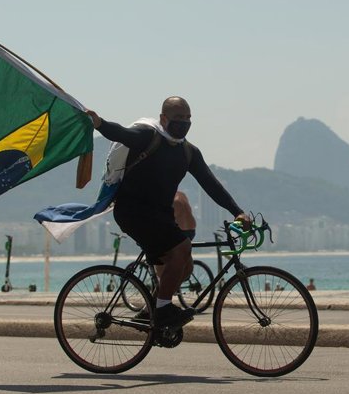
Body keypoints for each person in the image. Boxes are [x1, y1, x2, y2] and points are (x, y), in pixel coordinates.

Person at [86, 96, 250, 329]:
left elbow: (210, 183)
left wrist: (238, 212)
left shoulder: (188, 152)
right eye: (178, 118)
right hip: (133, 211)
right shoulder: (148, 136)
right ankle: (163, 310)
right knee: (182, 248)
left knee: (186, 265)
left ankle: (150, 309)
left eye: (188, 118)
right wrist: (99, 123)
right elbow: (122, 133)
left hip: (160, 215)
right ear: (163, 118)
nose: (184, 123)